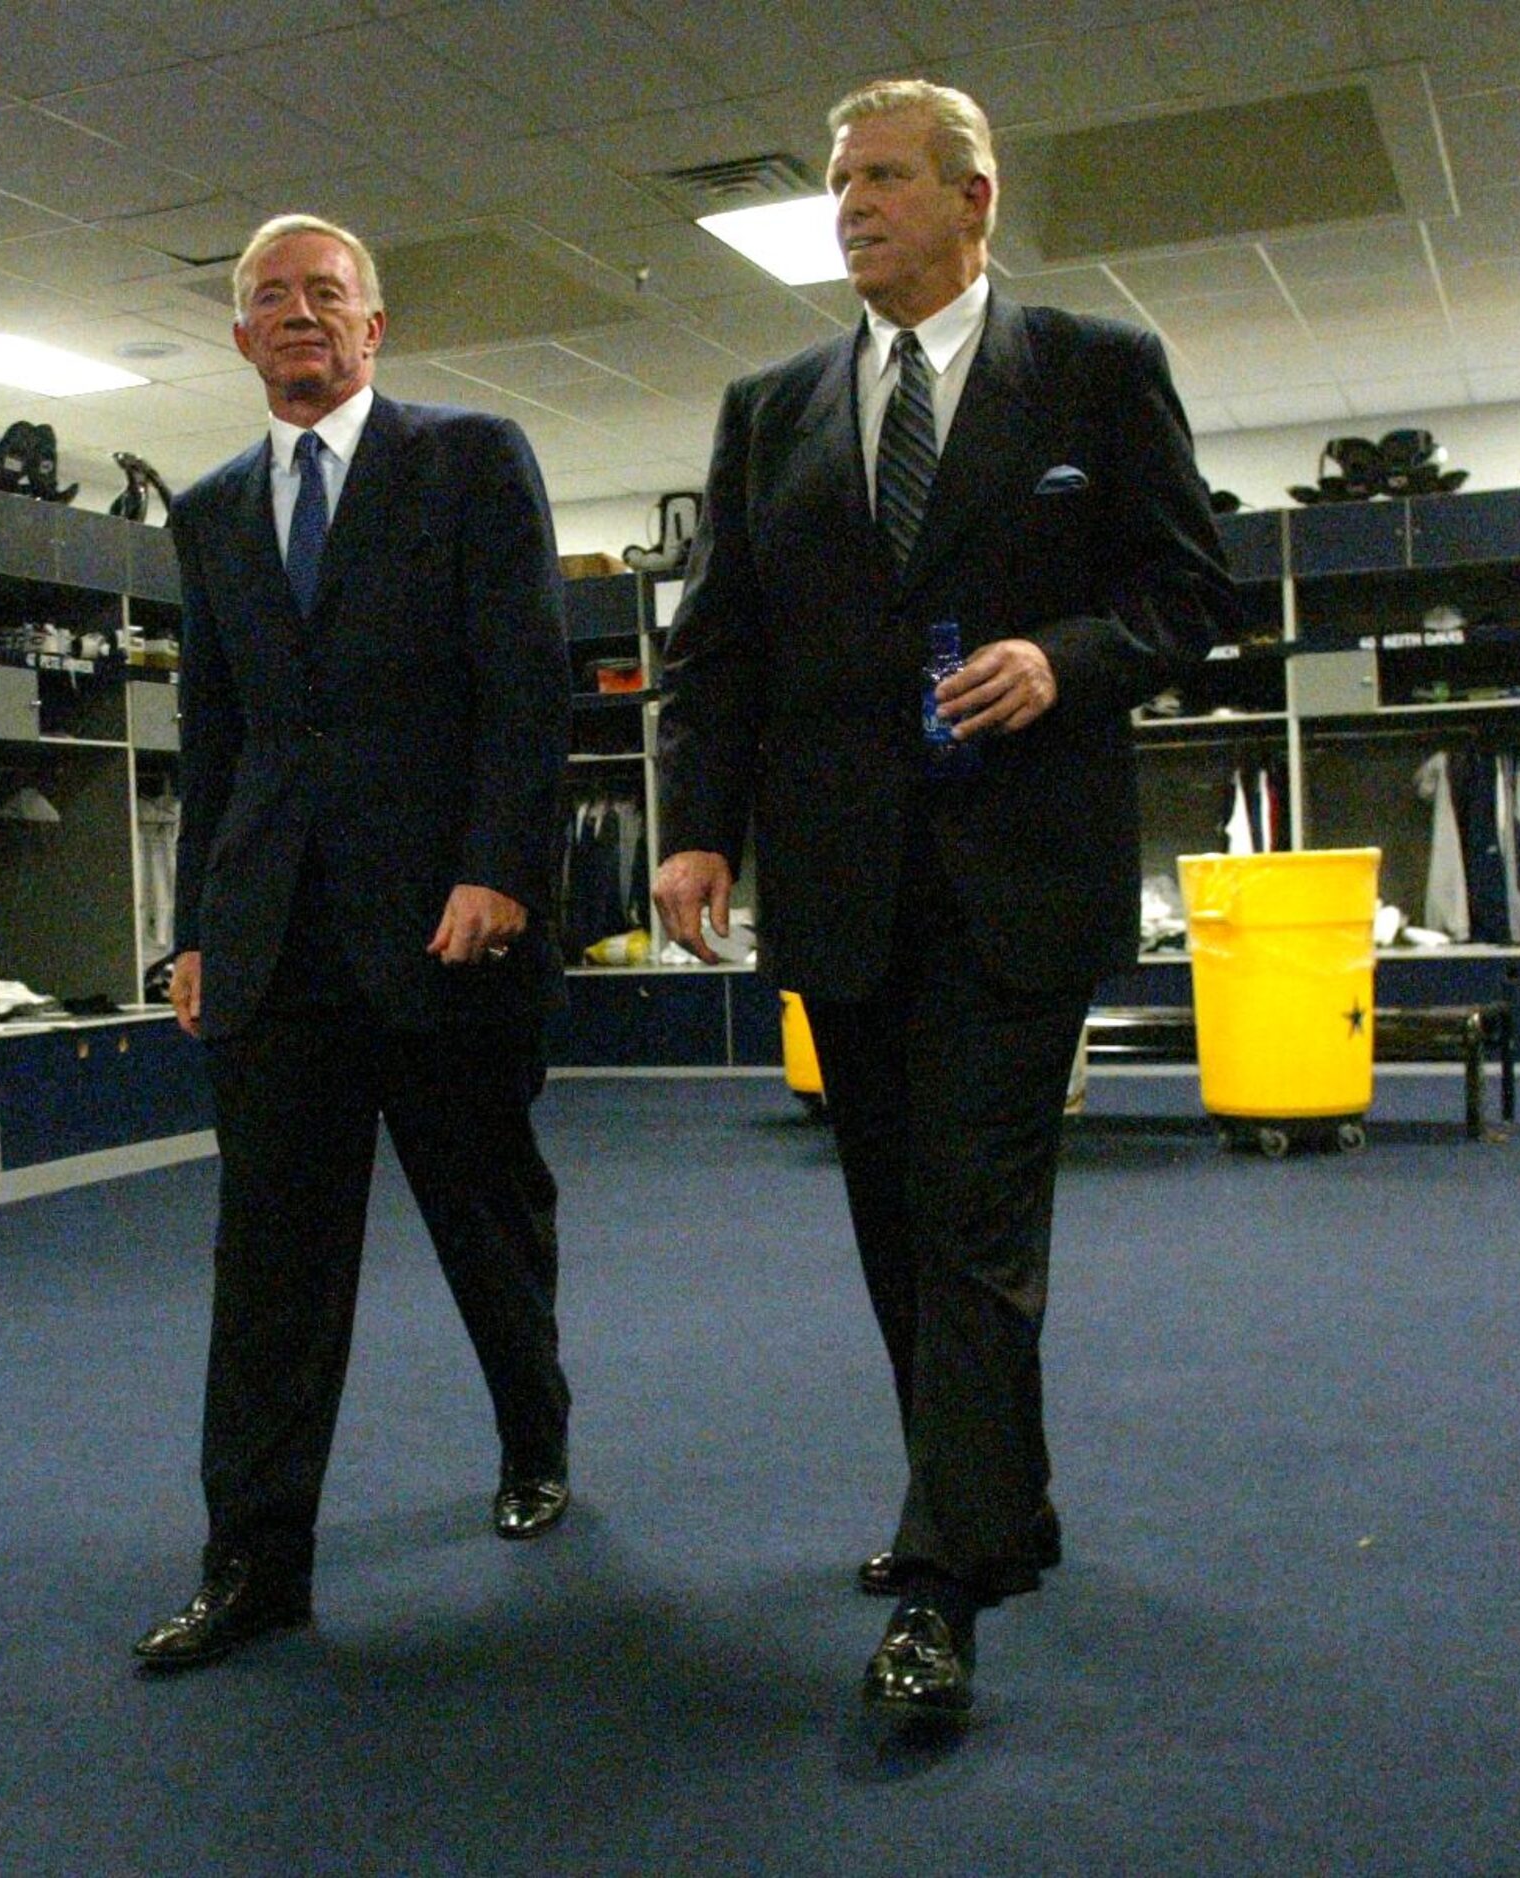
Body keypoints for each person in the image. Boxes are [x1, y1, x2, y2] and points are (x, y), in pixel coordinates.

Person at [652, 80, 1233, 1720]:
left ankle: (938, 1583)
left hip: (1019, 877)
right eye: (838, 180)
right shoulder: (772, 406)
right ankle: (1002, 1506)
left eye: (885, 177)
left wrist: (1066, 657)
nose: (852, 203)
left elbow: (1190, 592)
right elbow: (719, 646)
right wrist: (697, 830)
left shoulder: (1097, 373)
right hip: (840, 891)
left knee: (977, 1219)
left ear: (977, 199)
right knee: (899, 1227)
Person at [135, 213, 576, 1670]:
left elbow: (526, 683)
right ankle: (255, 1559)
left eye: (328, 292)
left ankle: (533, 1434)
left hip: (449, 934)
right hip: (277, 945)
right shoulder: (206, 514)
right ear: (242, 336)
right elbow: (216, 737)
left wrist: (498, 866)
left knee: (484, 1216)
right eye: (271, 297)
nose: (301, 313)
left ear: (374, 327)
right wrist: (198, 927)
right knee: (267, 1266)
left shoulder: (468, 460)